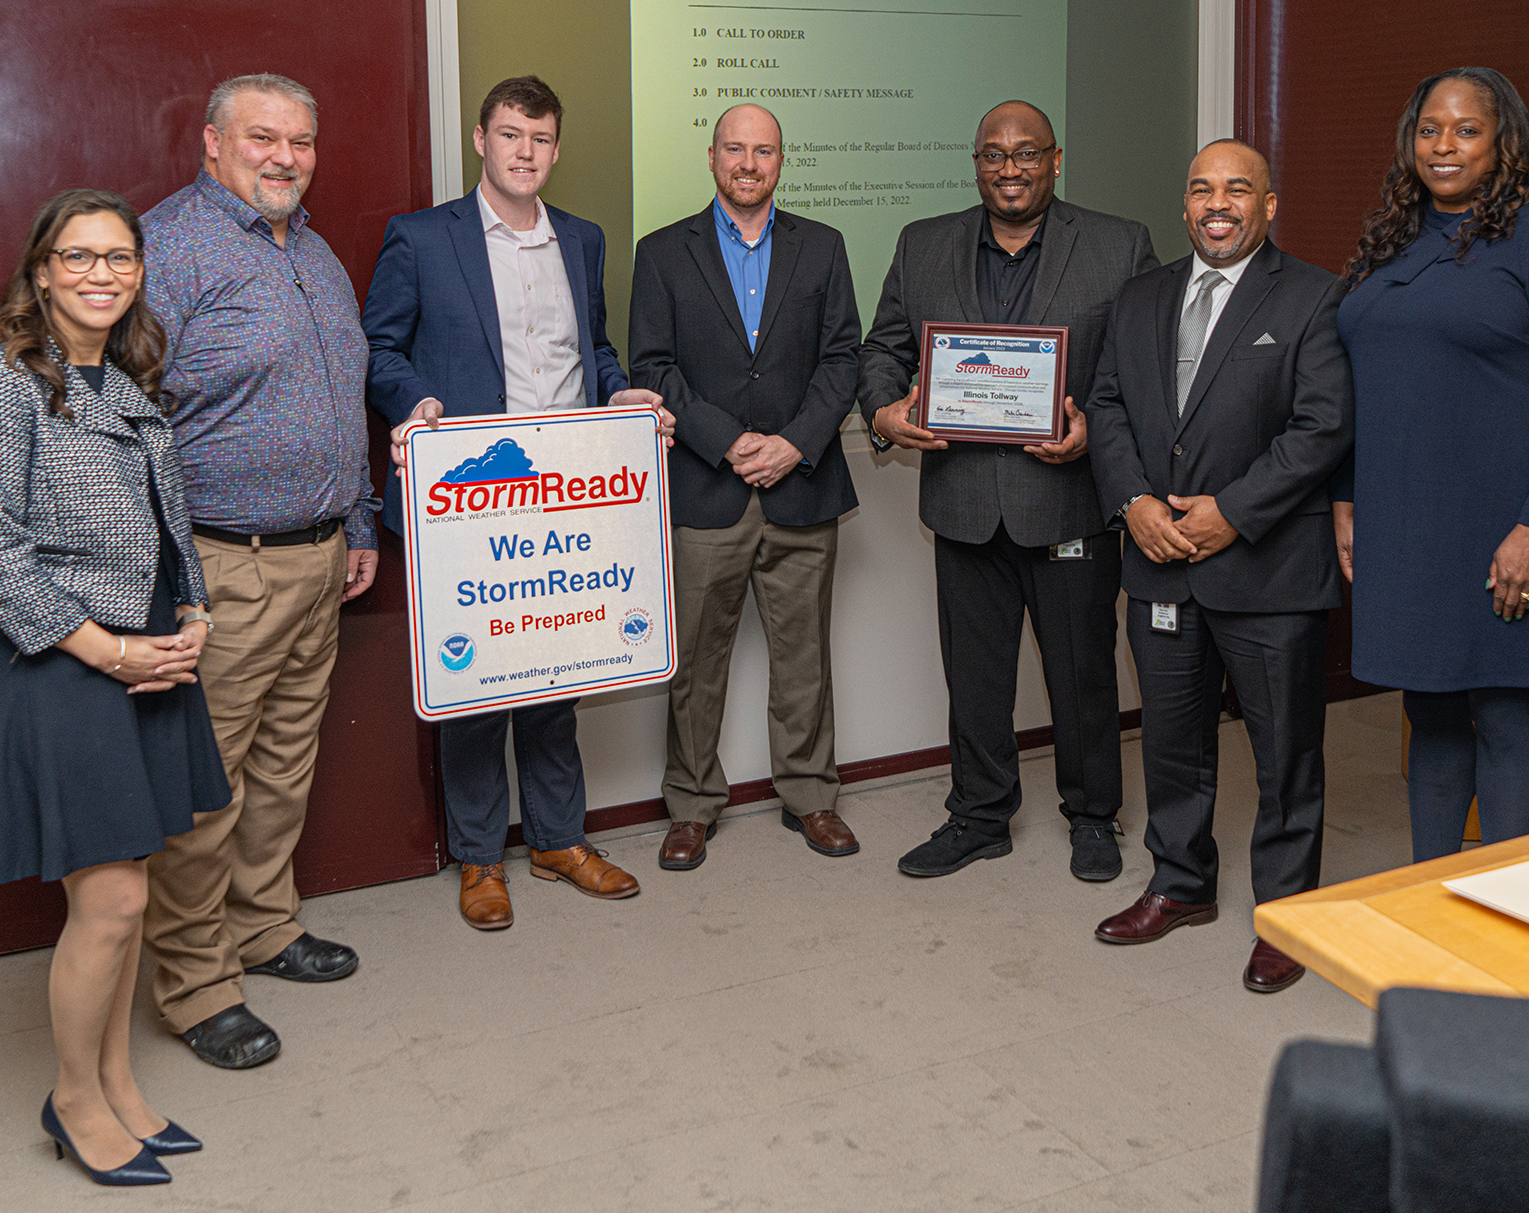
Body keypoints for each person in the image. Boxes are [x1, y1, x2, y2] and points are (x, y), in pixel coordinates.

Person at [0, 189, 230, 1184]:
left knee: (132, 893)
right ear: (40, 274)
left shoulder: (128, 382)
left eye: (120, 257)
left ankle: (115, 1080)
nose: (102, 273)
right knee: (107, 901)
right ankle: (72, 1099)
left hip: (151, 659)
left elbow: (165, 523)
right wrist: (112, 652)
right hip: (67, 666)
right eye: (79, 257)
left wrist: (194, 616)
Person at [364, 75, 671, 927]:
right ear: (480, 140)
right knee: (476, 677)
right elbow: (380, 346)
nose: (524, 152)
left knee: (557, 670)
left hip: (569, 492)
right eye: (509, 136)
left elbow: (595, 346)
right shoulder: (423, 238)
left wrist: (620, 394)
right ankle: (476, 857)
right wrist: (415, 402)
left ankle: (556, 839)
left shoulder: (583, 238)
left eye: (539, 138)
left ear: (556, 148)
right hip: (471, 497)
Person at [138, 73, 378, 1070]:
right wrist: (170, 573)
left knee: (284, 764)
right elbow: (126, 420)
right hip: (221, 568)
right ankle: (195, 982)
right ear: (211, 143)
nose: (284, 157)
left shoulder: (314, 253)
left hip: (320, 555)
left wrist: (358, 518)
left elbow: (342, 396)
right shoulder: (164, 250)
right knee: (208, 788)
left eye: (300, 142)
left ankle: (265, 927)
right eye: (262, 138)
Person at [859, 100, 1158, 880]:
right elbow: (882, 348)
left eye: (1027, 153)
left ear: (1057, 160)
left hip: (1066, 505)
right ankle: (980, 813)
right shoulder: (923, 245)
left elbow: (1145, 370)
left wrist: (1092, 428)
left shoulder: (1119, 245)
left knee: (1083, 673)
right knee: (975, 678)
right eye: (993, 154)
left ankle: (1093, 815)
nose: (1010, 168)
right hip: (962, 506)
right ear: (976, 163)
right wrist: (887, 411)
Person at [1333, 67, 1529, 863]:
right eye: (1430, 129)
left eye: (1467, 129)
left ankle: (1504, 921)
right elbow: (1358, 383)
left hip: (1507, 523)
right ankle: (1435, 910)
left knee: (1502, 717)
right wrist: (1347, 497)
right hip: (1404, 523)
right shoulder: (1390, 240)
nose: (1445, 145)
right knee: (1428, 716)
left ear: (1505, 143)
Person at [1084, 140, 1354, 993]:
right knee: (1170, 740)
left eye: (1238, 188)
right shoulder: (1141, 295)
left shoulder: (1315, 297)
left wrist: (1231, 512)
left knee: (1285, 752)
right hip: (1158, 560)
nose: (1218, 203)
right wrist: (1132, 502)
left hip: (1269, 569)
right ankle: (1179, 882)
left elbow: (1322, 426)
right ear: (1185, 202)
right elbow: (1108, 405)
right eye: (1201, 187)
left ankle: (1286, 916)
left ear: (1270, 204)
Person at [629, 104, 862, 870]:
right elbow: (653, 368)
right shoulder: (662, 252)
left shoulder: (822, 248)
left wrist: (795, 442)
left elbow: (843, 360)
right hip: (706, 489)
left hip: (802, 484)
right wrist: (728, 441)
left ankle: (810, 795)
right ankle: (691, 804)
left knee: (805, 657)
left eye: (763, 150)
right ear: (712, 156)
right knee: (694, 659)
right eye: (736, 148)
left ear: (781, 160)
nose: (749, 162)